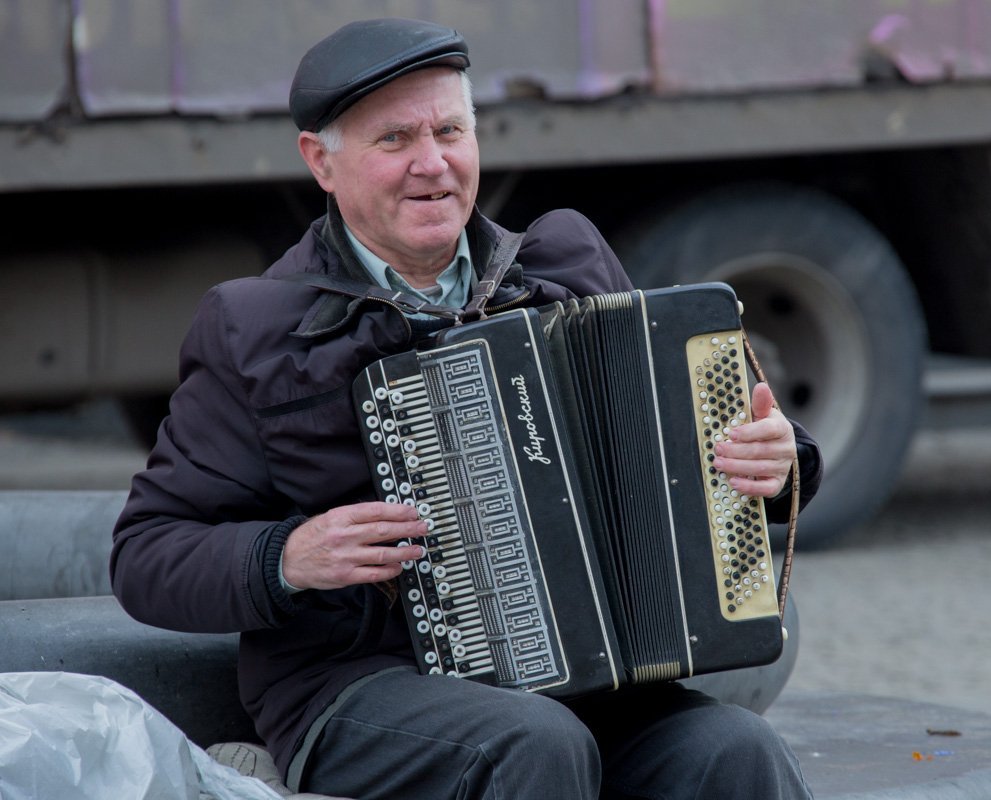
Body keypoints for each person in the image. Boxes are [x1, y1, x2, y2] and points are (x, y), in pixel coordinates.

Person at [110, 17, 823, 800]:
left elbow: (689, 453)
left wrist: (780, 461)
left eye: (449, 130)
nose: (432, 163)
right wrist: (287, 556)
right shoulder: (254, 326)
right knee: (532, 743)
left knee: (734, 748)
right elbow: (146, 554)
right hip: (360, 686)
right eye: (394, 140)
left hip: (591, 677)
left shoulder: (563, 264)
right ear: (320, 160)